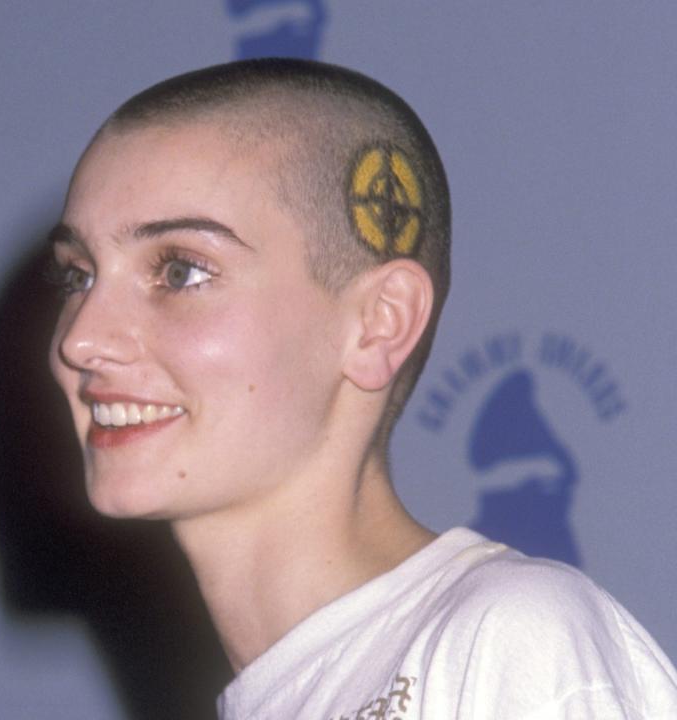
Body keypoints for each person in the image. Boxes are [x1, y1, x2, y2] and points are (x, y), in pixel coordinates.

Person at [47, 58, 677, 719]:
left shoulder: (508, 644)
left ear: (379, 324)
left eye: (179, 271)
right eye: (77, 276)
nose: (81, 338)